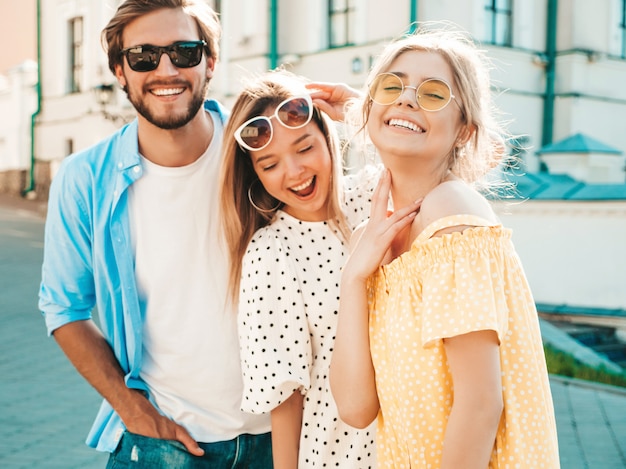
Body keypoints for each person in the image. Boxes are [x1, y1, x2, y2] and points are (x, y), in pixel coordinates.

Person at [38, 1, 273, 467]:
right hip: (162, 442)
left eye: (184, 52)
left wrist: (354, 112)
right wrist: (134, 412)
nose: (165, 69)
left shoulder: (258, 151)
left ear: (210, 61)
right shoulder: (84, 178)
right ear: (120, 71)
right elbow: (63, 307)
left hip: (282, 436)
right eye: (144, 56)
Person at [329, 24, 561, 468]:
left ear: (463, 131)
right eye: (391, 85)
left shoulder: (452, 213)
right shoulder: (370, 238)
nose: (406, 98)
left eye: (433, 94)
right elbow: (356, 408)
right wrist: (354, 278)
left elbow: (480, 406)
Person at [219, 70, 378, 468]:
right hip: (341, 456)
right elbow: (285, 400)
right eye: (269, 164)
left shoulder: (376, 196)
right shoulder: (271, 252)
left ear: (328, 138)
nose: (294, 172)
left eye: (305, 147)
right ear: (254, 173)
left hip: (418, 442)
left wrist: (364, 114)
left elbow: (480, 153)